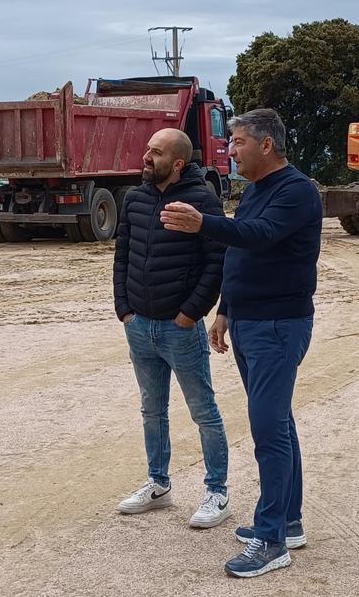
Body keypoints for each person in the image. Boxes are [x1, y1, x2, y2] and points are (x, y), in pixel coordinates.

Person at [160, 109, 322, 578]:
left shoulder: (297, 191)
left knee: (268, 431)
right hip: (251, 321)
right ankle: (288, 523)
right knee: (279, 425)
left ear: (266, 145)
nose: (230, 151)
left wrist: (204, 223)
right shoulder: (256, 192)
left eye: (237, 143)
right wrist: (226, 309)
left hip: (279, 324)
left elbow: (262, 235)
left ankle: (272, 540)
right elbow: (241, 250)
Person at [113, 127, 231, 529]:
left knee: (203, 411)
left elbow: (218, 263)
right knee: (152, 410)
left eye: (156, 152)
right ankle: (158, 485)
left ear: (177, 163)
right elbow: (122, 256)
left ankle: (217, 491)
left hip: (180, 329)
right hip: (138, 325)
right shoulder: (134, 199)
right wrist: (123, 309)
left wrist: (190, 313)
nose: (147, 157)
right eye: (147, 149)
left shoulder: (202, 200)